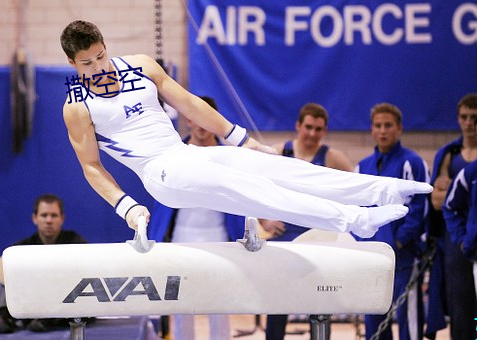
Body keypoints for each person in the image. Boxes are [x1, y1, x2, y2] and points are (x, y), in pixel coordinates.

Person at [60, 20, 431, 247]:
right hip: (160, 174)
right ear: (73, 64)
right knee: (255, 191)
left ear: (106, 46)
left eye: (100, 56)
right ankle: (354, 220)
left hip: (186, 156)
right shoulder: (77, 107)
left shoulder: (140, 67)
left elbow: (190, 103)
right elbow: (92, 167)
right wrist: (127, 207)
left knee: (278, 168)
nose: (97, 67)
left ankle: (380, 189)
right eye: (87, 63)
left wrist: (241, 138)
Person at [148, 96, 245, 340]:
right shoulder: (171, 154)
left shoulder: (229, 159)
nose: (202, 126)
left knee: (220, 305)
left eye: (207, 120)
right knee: (182, 305)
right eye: (196, 119)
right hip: (181, 238)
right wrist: (154, 238)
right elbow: (159, 198)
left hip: (221, 239)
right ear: (188, 120)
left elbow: (242, 199)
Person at [263, 102, 353, 340]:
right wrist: (264, 220)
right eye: (309, 127)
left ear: (324, 131)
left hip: (318, 239)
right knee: (277, 302)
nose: (313, 134)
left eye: (318, 129)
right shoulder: (278, 152)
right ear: (298, 126)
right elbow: (252, 189)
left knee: (321, 300)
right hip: (284, 235)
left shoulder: (333, 158)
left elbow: (356, 192)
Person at [354, 103, 429, 340]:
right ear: (372, 130)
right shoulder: (362, 167)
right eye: (378, 126)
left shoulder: (412, 163)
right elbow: (355, 209)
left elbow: (419, 209)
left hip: (403, 257)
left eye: (388, 125)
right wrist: (362, 243)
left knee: (409, 320)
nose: (383, 131)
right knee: (374, 321)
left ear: (399, 129)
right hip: (372, 259)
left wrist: (399, 241)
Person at [0, 194, 87, 334]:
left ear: (62, 218)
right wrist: (27, 283)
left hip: (63, 301)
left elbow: (85, 270)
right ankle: (5, 318)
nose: (49, 220)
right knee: (9, 270)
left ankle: (47, 319)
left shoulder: (75, 242)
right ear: (35, 218)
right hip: (32, 298)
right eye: (44, 215)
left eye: (54, 215)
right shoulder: (24, 246)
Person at [427, 93, 477, 340]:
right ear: (458, 119)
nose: (469, 123)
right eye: (464, 117)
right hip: (456, 238)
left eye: (474, 118)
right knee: (460, 304)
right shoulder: (449, 154)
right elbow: (436, 202)